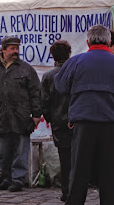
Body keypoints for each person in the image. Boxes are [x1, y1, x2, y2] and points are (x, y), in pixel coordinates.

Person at [54, 25, 114, 205]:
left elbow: (61, 87)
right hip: (112, 126)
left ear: (87, 42)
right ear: (110, 42)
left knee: (79, 174)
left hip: (83, 125)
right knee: (110, 176)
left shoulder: (75, 62)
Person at [0, 36, 41, 192]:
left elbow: (35, 93)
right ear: (3, 49)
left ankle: (18, 179)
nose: (15, 51)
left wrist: (36, 114)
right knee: (4, 151)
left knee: (21, 149)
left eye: (17, 48)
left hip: (21, 115)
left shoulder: (26, 69)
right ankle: (6, 177)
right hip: (0, 115)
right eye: (12, 48)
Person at [40, 40, 73, 202]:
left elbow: (44, 103)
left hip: (59, 123)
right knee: (79, 158)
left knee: (65, 159)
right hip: (78, 121)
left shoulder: (48, 76)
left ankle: (66, 191)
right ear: (69, 53)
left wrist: (51, 118)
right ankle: (77, 189)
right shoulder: (76, 72)